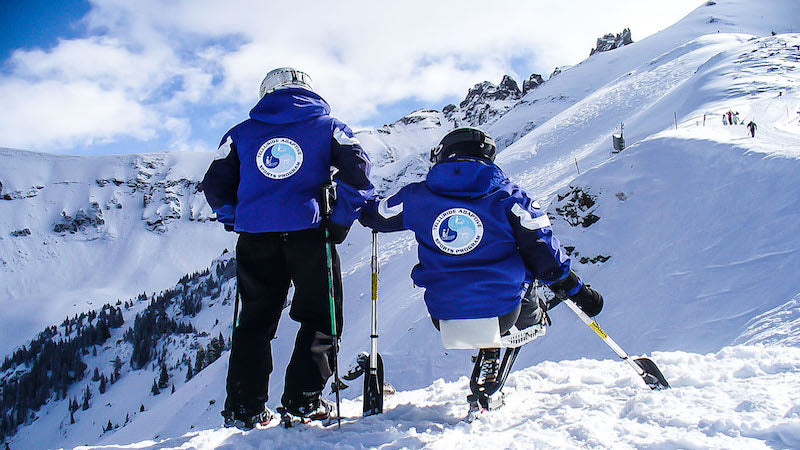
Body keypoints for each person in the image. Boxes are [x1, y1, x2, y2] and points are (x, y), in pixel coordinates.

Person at [359, 127, 603, 406]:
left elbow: (375, 216)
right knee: (528, 264)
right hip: (503, 313)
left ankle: (490, 347)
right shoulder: (511, 197)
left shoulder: (415, 196)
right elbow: (545, 251)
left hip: (443, 313)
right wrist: (577, 291)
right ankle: (513, 335)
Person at [202, 67, 374, 429]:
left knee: (253, 322)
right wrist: (339, 221)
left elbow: (215, 184)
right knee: (321, 318)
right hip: (310, 234)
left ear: (266, 93)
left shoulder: (240, 133)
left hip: (255, 238)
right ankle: (303, 401)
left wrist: (234, 217)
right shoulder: (329, 127)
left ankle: (244, 408)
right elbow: (357, 174)